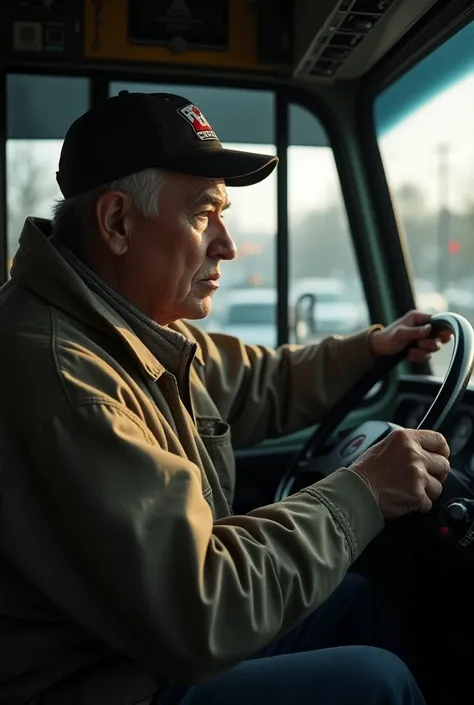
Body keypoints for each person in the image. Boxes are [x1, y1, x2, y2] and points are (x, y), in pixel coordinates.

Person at [0, 91, 452, 705]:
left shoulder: (127, 329)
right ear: (117, 222)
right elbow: (200, 607)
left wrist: (373, 350)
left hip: (132, 646)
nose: (227, 245)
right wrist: (364, 491)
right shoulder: (67, 381)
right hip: (102, 681)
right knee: (378, 682)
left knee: (351, 601)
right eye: (202, 214)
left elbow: (257, 381)